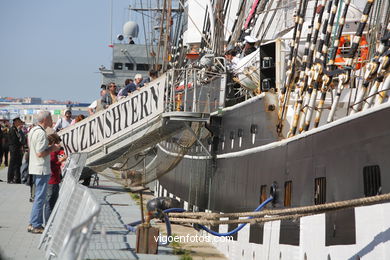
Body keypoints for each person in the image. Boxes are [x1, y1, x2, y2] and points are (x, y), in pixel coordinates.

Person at [27, 111, 61, 234]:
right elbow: (40, 153)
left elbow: (33, 149)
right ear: (45, 119)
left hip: (35, 167)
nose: (52, 120)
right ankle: (36, 224)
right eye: (50, 118)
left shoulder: (32, 131)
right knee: (40, 197)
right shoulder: (41, 133)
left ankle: (33, 222)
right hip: (41, 168)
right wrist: (53, 148)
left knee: (38, 197)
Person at [45, 133, 67, 223]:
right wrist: (61, 161)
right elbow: (52, 165)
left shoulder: (53, 151)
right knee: (50, 203)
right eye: (58, 143)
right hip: (52, 180)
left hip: (55, 179)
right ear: (54, 142)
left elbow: (62, 152)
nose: (59, 145)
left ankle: (49, 222)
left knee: (52, 202)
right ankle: (48, 223)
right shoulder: (51, 152)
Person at [7, 117, 25, 183]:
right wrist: (20, 144)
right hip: (14, 149)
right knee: (12, 164)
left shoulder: (17, 130)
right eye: (19, 121)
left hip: (18, 149)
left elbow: (21, 138)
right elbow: (14, 140)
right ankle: (10, 179)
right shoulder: (12, 129)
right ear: (15, 122)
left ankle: (17, 178)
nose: (20, 123)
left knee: (18, 164)